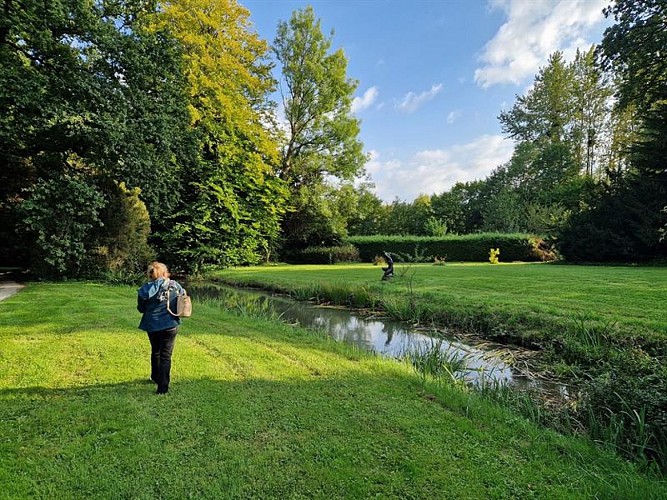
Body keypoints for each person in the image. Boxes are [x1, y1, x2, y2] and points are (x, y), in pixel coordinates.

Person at [137, 261, 185, 394]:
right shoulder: (175, 285)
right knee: (166, 356)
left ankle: (155, 377)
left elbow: (141, 309)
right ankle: (162, 388)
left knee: (155, 350)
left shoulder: (144, 289)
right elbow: (183, 300)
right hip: (170, 324)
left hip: (152, 325)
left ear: (150, 275)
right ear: (165, 273)